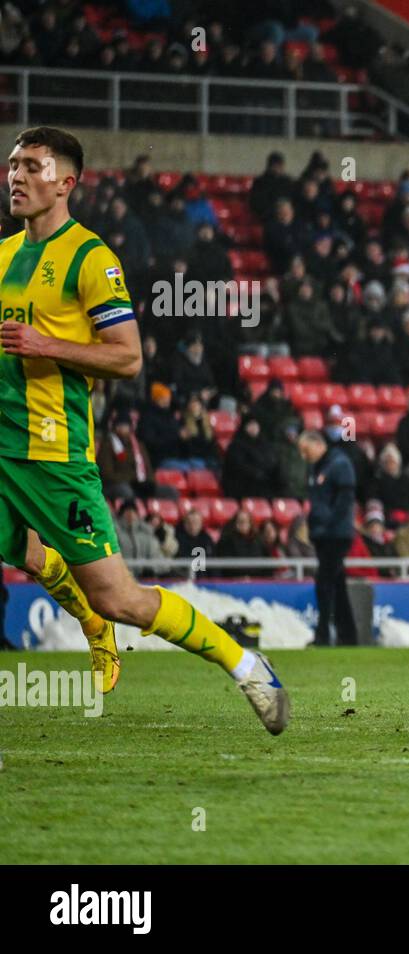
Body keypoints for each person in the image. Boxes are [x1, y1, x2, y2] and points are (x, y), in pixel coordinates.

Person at [0, 126, 288, 732]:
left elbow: (128, 358)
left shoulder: (91, 259)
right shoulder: (0, 256)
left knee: (120, 599)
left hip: (53, 457)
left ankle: (244, 663)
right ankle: (85, 614)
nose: (17, 176)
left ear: (66, 183)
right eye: (12, 165)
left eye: (32, 166)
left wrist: (45, 343)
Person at [298, 428, 358, 646]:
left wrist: (327, 525)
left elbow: (344, 501)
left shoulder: (339, 464)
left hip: (336, 535)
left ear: (317, 444)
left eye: (306, 450)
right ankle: (348, 636)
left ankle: (323, 635)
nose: (304, 456)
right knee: (337, 585)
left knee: (324, 583)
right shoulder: (318, 467)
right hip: (324, 535)